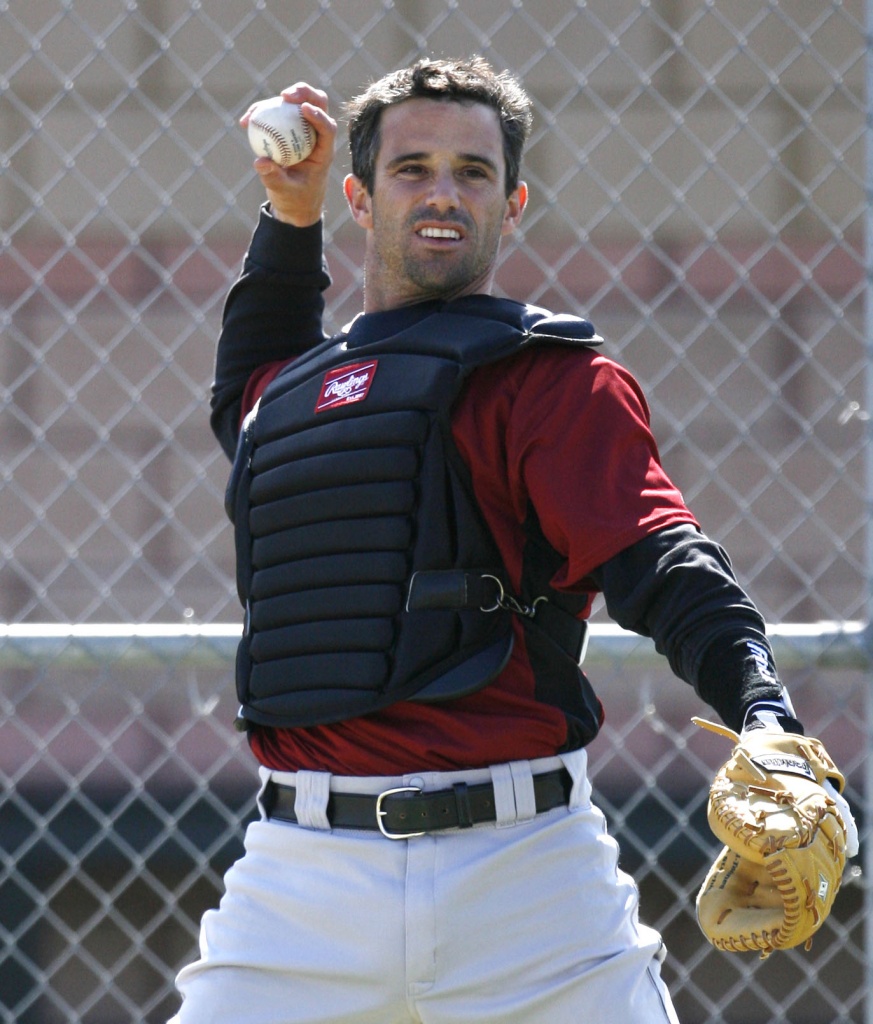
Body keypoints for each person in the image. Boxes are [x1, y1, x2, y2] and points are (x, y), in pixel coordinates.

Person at [169, 57, 848, 1023]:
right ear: (359, 197)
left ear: (513, 202)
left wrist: (764, 711)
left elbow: (660, 560)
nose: (443, 193)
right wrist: (288, 211)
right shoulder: (291, 399)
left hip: (526, 883)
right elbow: (246, 382)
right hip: (297, 885)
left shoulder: (551, 379)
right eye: (412, 169)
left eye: (472, 172)